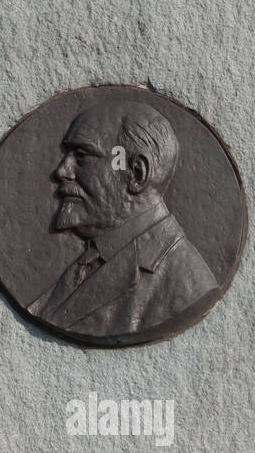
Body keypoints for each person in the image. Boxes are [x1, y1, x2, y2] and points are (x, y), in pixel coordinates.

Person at [28, 99, 218, 339]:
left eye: (82, 155)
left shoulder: (186, 288)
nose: (63, 171)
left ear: (136, 173)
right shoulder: (92, 259)